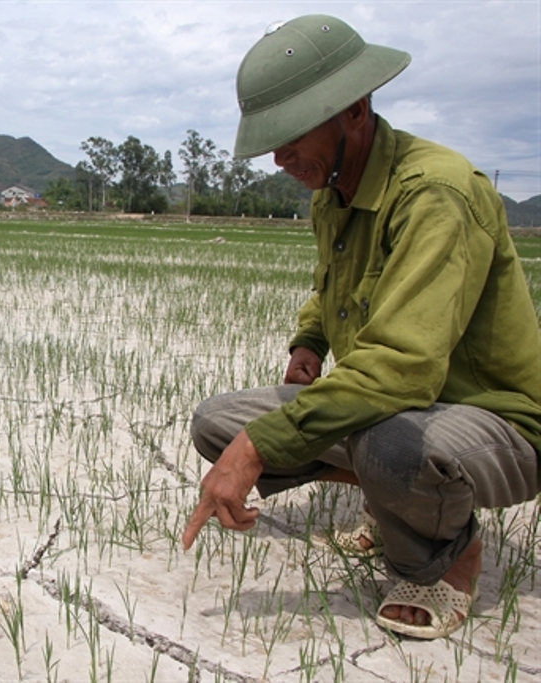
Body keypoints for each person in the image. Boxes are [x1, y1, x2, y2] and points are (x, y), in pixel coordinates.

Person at [181, 14, 541, 640]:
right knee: (219, 422)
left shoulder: (435, 193)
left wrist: (260, 447)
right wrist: (309, 343)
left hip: (492, 418)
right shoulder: (334, 190)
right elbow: (331, 287)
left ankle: (447, 561)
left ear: (355, 109)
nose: (280, 155)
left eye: (293, 134)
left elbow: (405, 365)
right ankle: (405, 500)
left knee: (386, 443)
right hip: (393, 407)